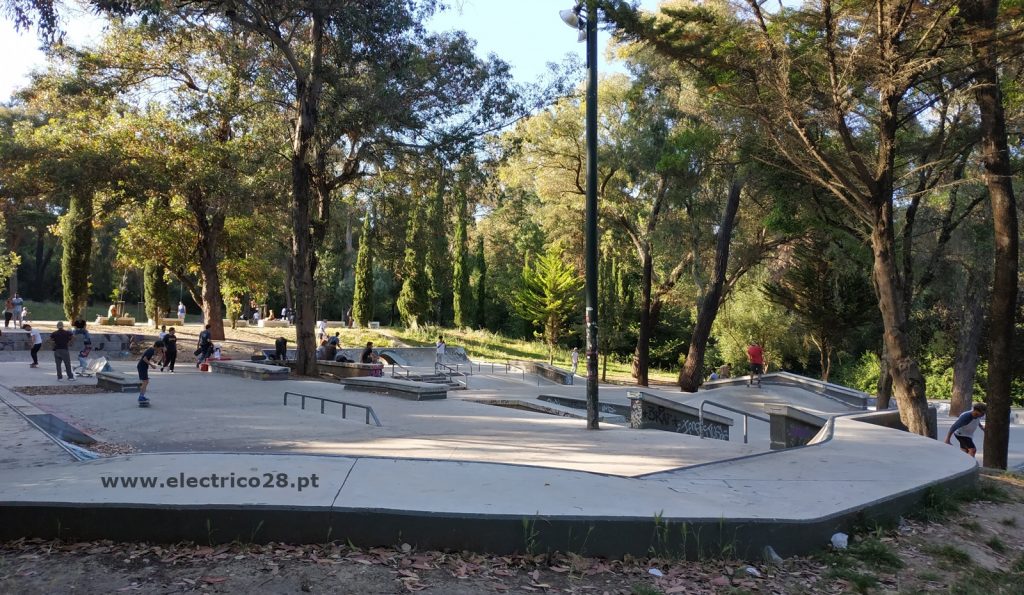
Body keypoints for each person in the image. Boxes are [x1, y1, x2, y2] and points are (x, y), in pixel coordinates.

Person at [137, 340, 165, 407]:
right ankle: (141, 396)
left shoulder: (151, 350)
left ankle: (142, 396)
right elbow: (144, 358)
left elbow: (147, 356)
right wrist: (151, 365)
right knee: (145, 381)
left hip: (143, 367)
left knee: (146, 381)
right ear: (156, 347)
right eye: (160, 348)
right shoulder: (151, 350)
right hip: (142, 367)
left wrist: (153, 360)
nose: (160, 350)